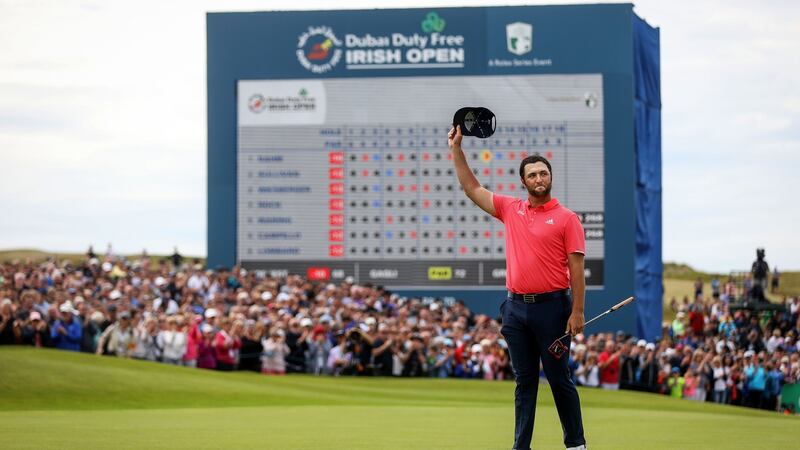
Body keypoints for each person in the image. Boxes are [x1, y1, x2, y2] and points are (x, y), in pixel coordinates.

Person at [449, 125, 587, 450]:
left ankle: (576, 444)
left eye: (543, 173)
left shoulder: (567, 218)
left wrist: (577, 311)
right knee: (524, 382)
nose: (539, 179)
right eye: (533, 175)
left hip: (554, 309)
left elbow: (577, 270)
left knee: (558, 379)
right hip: (515, 309)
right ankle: (520, 447)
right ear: (523, 182)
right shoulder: (511, 209)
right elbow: (472, 188)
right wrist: (456, 148)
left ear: (549, 178)